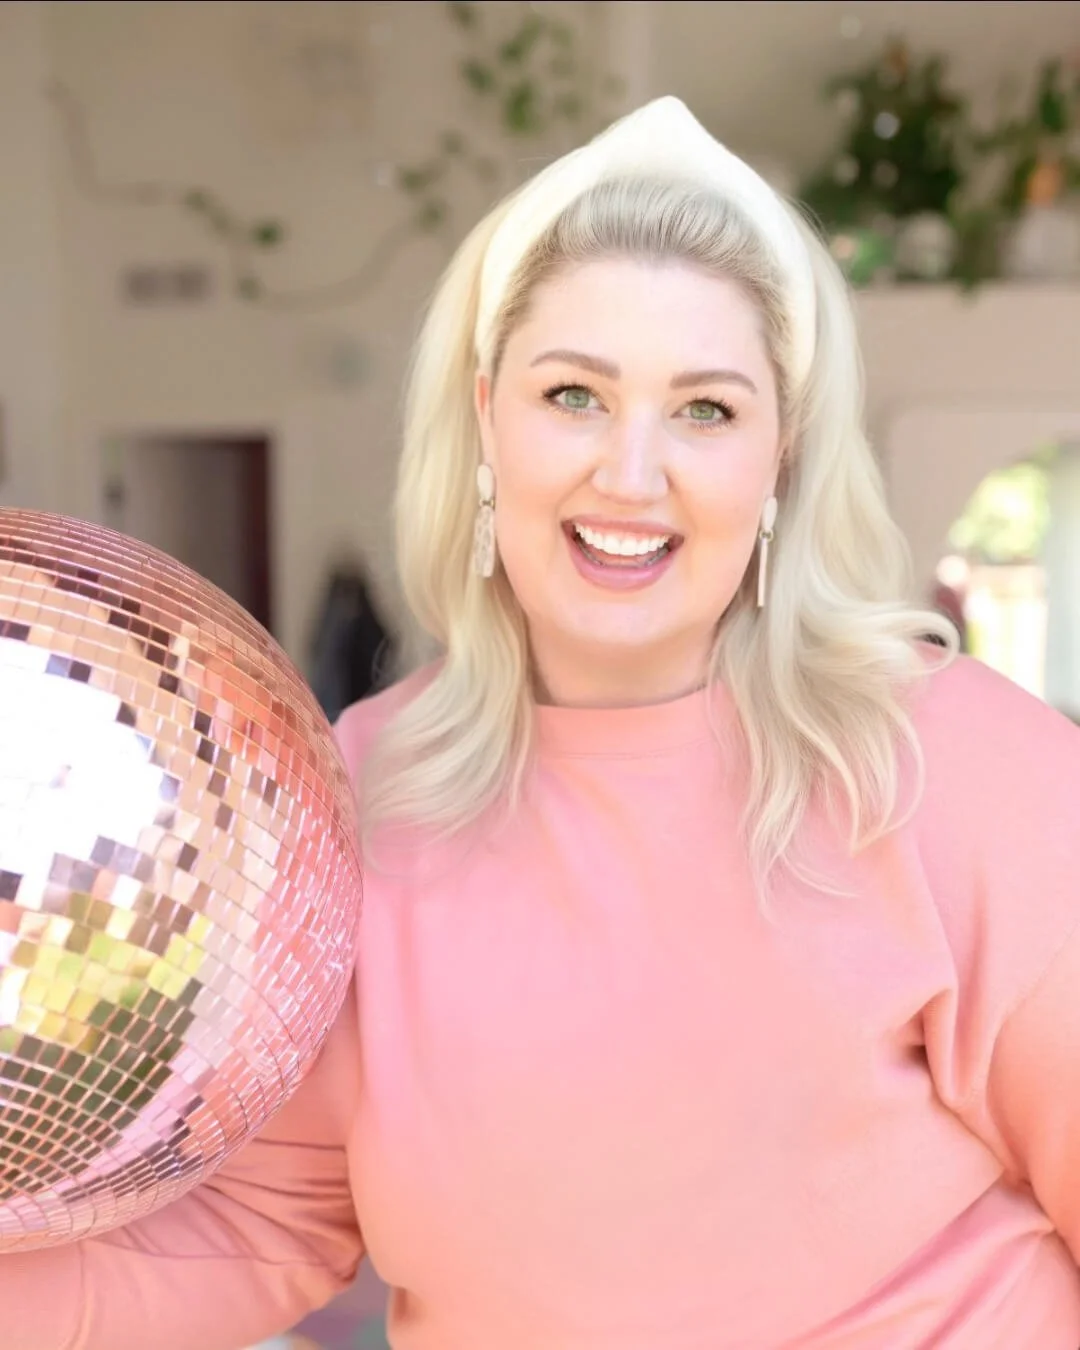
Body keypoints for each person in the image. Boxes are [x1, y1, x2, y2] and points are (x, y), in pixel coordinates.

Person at [7, 95, 1080, 1350]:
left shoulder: (963, 773)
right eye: (574, 395)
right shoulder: (359, 791)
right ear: (485, 417)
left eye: (706, 410)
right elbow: (268, 1217)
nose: (630, 473)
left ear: (780, 458)